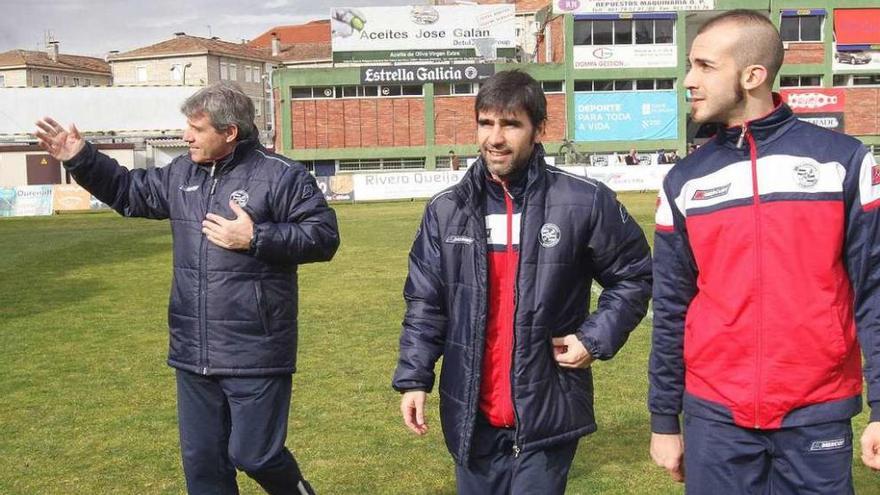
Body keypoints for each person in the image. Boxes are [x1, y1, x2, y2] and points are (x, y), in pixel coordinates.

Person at [34, 82, 339, 495]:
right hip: (193, 351)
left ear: (230, 132)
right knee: (203, 469)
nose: (186, 136)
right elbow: (129, 192)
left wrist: (256, 238)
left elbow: (323, 236)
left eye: (196, 128)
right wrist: (80, 158)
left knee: (256, 456)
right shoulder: (181, 173)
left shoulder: (281, 175)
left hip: (255, 348)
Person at [649, 10, 880, 493]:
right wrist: (663, 418)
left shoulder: (843, 162)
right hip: (715, 415)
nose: (688, 80)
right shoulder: (684, 181)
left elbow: (873, 291)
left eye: (705, 66)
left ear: (753, 76)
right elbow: (670, 307)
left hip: (817, 410)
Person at [392, 70, 652, 494]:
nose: (495, 137)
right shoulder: (446, 210)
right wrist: (415, 378)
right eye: (486, 123)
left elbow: (634, 274)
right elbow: (425, 302)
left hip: (548, 409)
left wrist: (594, 337)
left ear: (538, 130)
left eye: (510, 124)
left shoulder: (584, 201)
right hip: (471, 414)